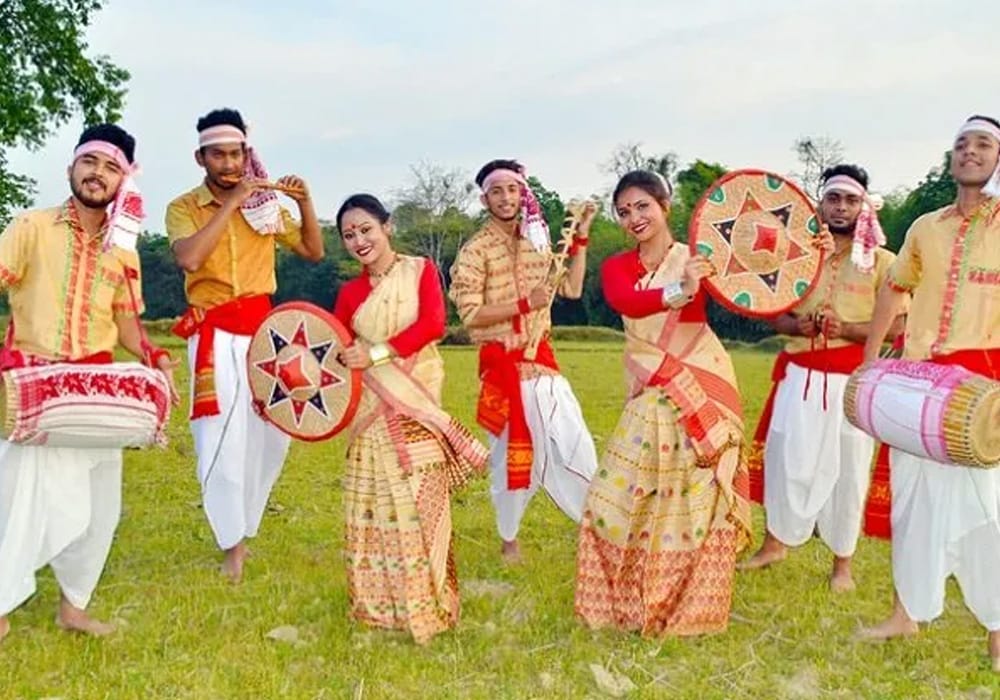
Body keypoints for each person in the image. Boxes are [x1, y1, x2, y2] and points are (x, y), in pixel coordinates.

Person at [0, 124, 178, 644]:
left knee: (99, 509)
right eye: (91, 163)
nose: (98, 174)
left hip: (97, 394)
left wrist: (155, 356)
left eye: (111, 168)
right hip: (35, 387)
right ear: (72, 168)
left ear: (125, 181)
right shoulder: (32, 227)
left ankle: (73, 608)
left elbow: (127, 324)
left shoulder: (124, 249)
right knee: (23, 505)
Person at [574, 170, 752, 636]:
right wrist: (681, 290)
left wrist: (803, 260)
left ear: (665, 205)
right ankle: (626, 598)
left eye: (643, 206)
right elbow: (627, 303)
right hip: (651, 386)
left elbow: (754, 286)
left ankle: (692, 605)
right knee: (613, 498)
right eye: (625, 210)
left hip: (702, 379)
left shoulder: (699, 259)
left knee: (693, 500)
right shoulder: (616, 267)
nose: (634, 217)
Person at [859, 115, 1000, 672]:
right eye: (961, 144)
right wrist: (871, 358)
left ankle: (996, 631)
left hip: (983, 389)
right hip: (917, 382)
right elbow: (894, 291)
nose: (969, 151)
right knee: (912, 500)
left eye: (983, 144)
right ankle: (905, 614)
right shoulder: (924, 227)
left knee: (990, 509)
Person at [165, 108, 324, 582]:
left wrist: (306, 202)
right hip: (213, 334)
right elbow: (190, 258)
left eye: (237, 153)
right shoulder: (183, 207)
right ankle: (230, 543)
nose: (231, 162)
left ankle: (246, 524)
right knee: (219, 439)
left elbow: (314, 252)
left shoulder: (266, 206)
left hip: (265, 334)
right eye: (219, 154)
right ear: (201, 157)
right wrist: (234, 202)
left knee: (272, 437)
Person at [740, 165, 904, 591]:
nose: (841, 208)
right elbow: (770, 311)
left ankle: (841, 566)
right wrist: (799, 327)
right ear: (820, 204)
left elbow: (899, 326)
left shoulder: (885, 262)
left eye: (851, 200)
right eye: (834, 199)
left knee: (850, 469)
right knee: (785, 461)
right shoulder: (795, 253)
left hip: (852, 382)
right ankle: (774, 545)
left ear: (865, 207)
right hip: (799, 377)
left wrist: (845, 330)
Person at [332, 194, 488, 644]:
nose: (359, 240)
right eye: (349, 235)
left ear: (387, 227)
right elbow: (336, 349)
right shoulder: (349, 294)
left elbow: (432, 325)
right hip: (370, 412)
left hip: (416, 399)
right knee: (376, 504)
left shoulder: (418, 271)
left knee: (421, 502)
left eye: (366, 229)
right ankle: (380, 606)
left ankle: (431, 602)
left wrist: (375, 352)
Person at [448, 159, 598, 564]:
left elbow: (570, 288)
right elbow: (470, 313)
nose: (505, 197)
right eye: (496, 190)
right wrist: (520, 305)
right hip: (502, 366)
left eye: (513, 189)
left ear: (522, 193)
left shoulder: (539, 240)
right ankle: (509, 538)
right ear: (484, 198)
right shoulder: (474, 251)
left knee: (571, 438)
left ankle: (597, 523)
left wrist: (580, 241)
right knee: (508, 460)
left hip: (542, 361)